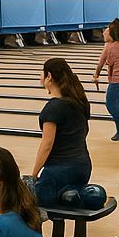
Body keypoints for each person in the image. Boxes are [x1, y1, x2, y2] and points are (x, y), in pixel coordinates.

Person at [32, 57, 91, 206]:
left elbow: (47, 144)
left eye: (42, 73)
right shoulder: (79, 102)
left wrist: (33, 175)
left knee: (28, 199)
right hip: (83, 168)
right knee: (65, 197)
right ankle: (70, 194)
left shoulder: (53, 108)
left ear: (49, 76)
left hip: (59, 171)